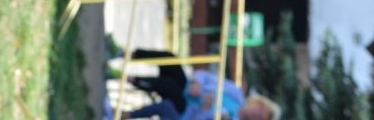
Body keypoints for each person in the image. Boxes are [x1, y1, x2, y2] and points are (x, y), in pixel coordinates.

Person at [120, 50, 281, 120]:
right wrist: (197, 82)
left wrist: (204, 110)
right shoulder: (235, 94)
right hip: (188, 91)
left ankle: (127, 79)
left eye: (260, 118)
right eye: (260, 109)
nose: (256, 114)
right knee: (170, 60)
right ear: (258, 102)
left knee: (170, 87)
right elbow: (207, 77)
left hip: (187, 113)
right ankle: (127, 54)